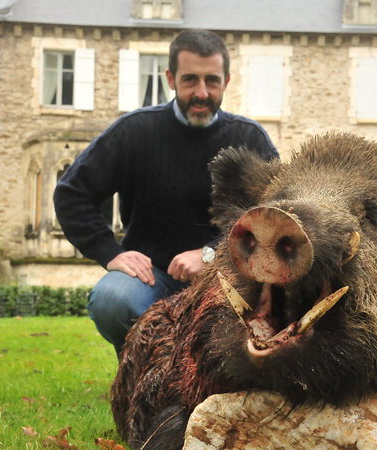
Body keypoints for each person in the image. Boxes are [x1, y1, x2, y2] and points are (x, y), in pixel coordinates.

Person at [54, 29, 278, 354]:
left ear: (227, 81)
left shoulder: (250, 140)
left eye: (212, 81)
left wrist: (211, 256)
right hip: (151, 278)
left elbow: (275, 218)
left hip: (229, 278)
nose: (202, 92)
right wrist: (109, 251)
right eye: (190, 80)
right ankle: (143, 367)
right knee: (112, 300)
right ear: (171, 79)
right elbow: (72, 193)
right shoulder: (135, 132)